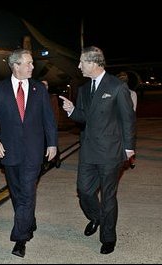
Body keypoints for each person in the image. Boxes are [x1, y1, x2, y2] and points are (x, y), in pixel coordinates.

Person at [59, 46, 136, 254]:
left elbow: (128, 120)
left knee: (108, 197)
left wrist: (129, 148)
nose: (78, 66)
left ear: (93, 63)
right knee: (84, 191)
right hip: (89, 151)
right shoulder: (84, 89)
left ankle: (108, 237)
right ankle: (97, 217)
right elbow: (85, 119)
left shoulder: (117, 86)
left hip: (111, 152)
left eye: (81, 62)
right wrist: (73, 111)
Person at [0, 49, 57, 258]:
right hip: (9, 152)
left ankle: (19, 238)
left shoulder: (39, 89)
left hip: (34, 152)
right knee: (17, 194)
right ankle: (28, 221)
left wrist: (52, 144)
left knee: (27, 193)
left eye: (32, 63)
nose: (33, 67)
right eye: (28, 63)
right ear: (15, 65)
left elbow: (48, 119)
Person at [117, 71, 137, 169]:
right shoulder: (130, 93)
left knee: (129, 143)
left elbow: (132, 110)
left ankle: (131, 160)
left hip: (127, 121)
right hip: (119, 122)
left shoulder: (132, 93)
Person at [41, 79, 61, 170]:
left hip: (50, 126)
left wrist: (54, 127)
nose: (45, 87)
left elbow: (56, 113)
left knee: (52, 143)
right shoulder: (35, 97)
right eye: (43, 85)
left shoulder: (52, 98)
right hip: (40, 127)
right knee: (43, 145)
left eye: (47, 85)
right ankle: (46, 161)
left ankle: (56, 158)